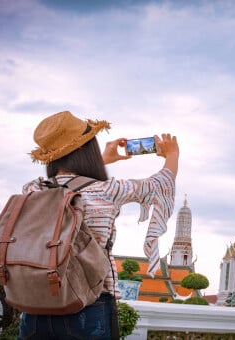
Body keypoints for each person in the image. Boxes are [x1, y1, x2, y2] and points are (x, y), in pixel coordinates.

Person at [18, 110, 178, 339]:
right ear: (88, 151)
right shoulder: (107, 189)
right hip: (89, 304)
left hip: (35, 306)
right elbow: (160, 184)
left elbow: (68, 184)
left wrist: (103, 160)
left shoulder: (32, 190)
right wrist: (172, 155)